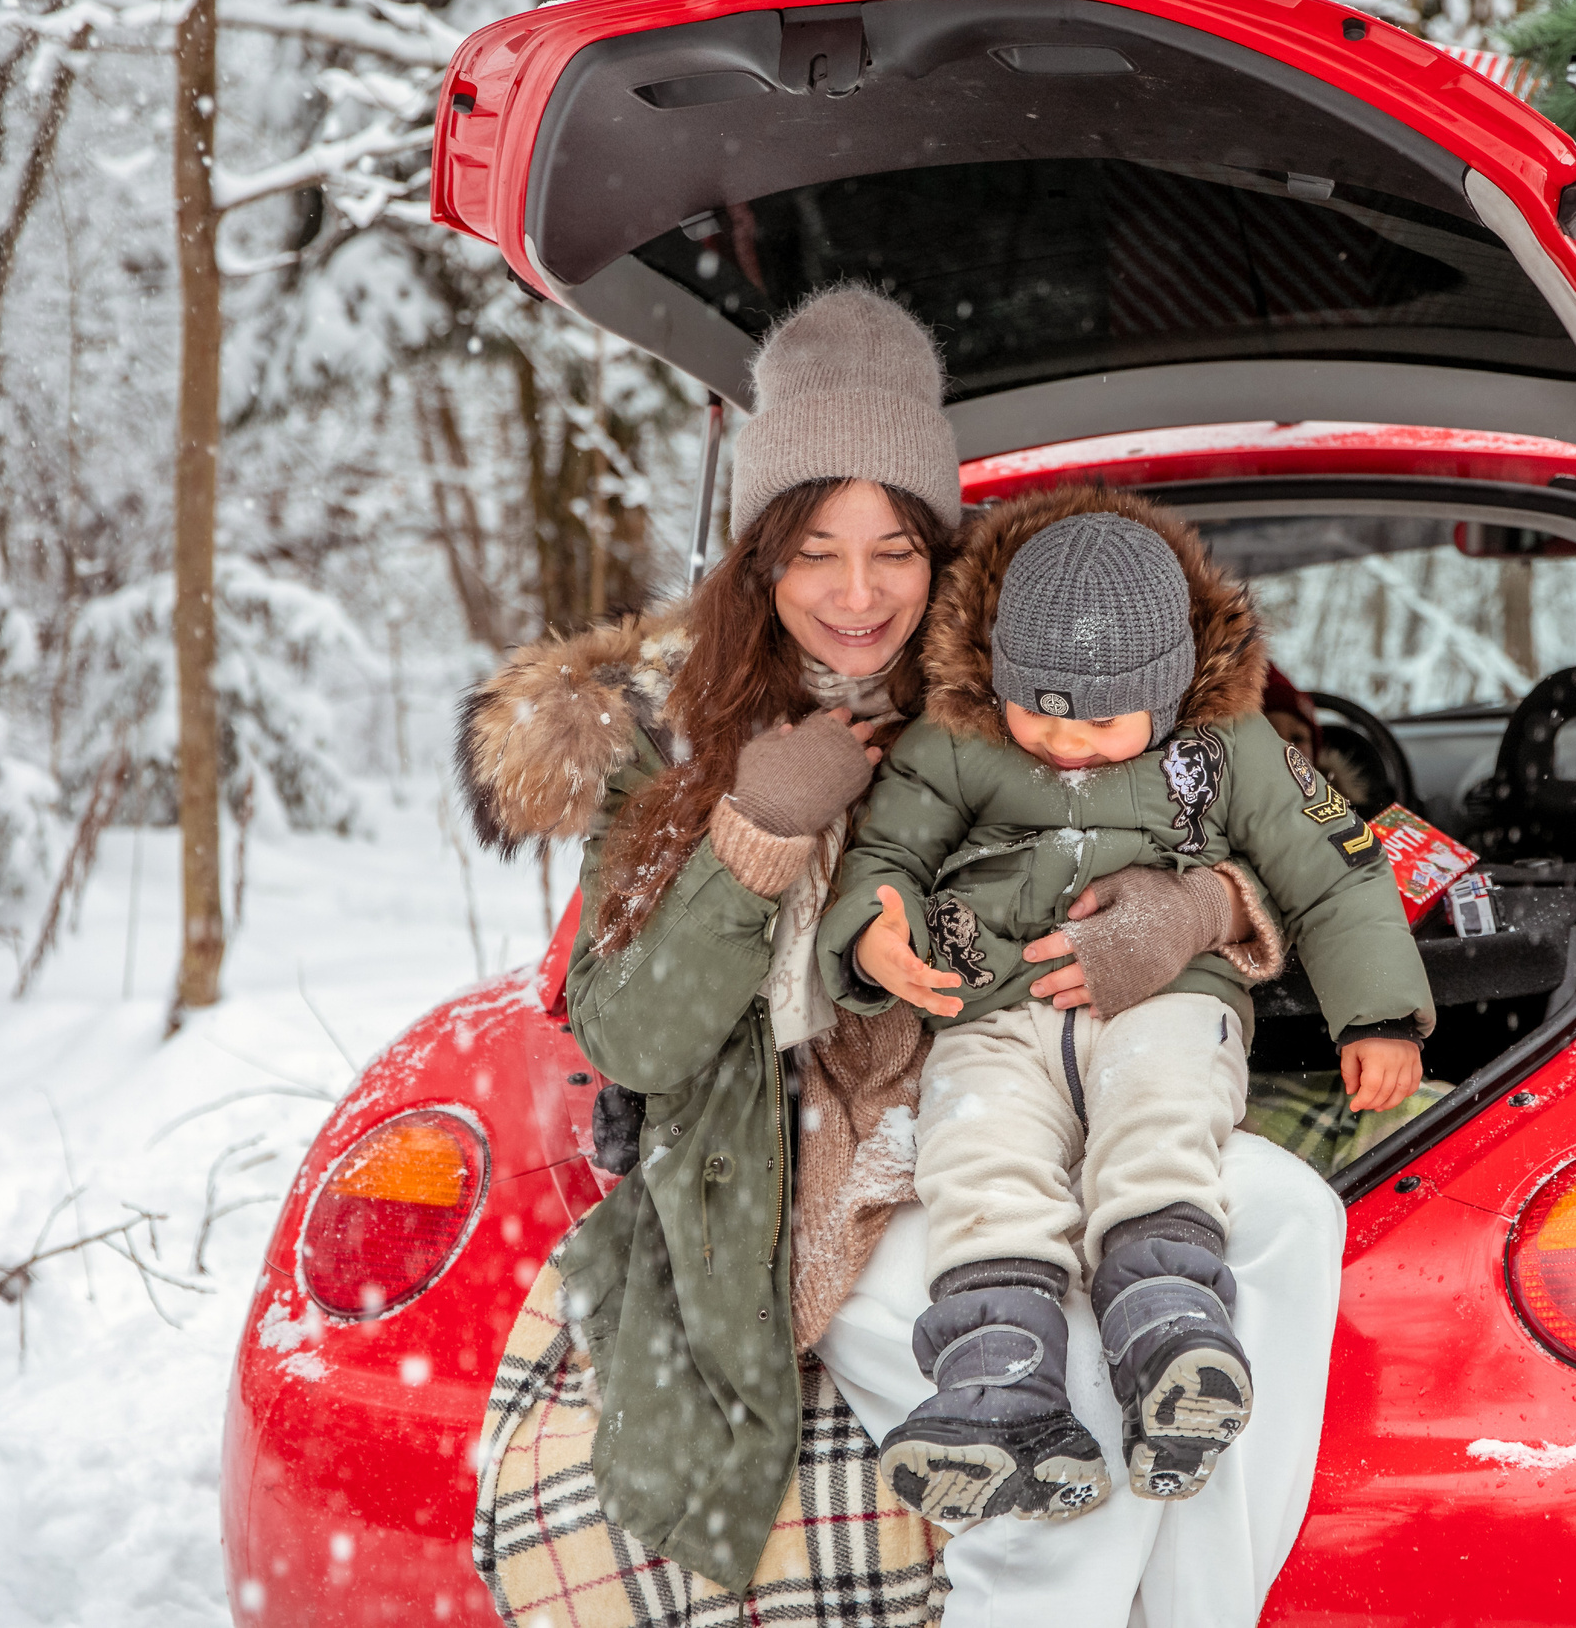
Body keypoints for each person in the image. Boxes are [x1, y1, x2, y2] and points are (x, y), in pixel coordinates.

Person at [455, 284, 1347, 1628]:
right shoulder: (676, 739)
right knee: (1067, 1441)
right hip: (805, 1164)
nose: (857, 593)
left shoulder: (1003, 695)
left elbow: (1234, 816)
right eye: (816, 550)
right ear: (760, 559)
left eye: (894, 550)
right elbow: (632, 1034)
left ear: (944, 553)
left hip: (1009, 1096)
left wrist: (1207, 908)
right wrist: (756, 829)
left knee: (1292, 1221)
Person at [818, 488, 1436, 1527]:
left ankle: (1168, 1317)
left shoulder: (1226, 752)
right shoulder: (955, 744)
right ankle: (995, 1369)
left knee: (1161, 1111)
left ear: (1169, 688)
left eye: (1104, 720)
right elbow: (884, 854)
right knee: (977, 1151)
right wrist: (871, 931)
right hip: (998, 1014)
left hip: (1165, 995)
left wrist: (1375, 1016)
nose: (1068, 745)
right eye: (1040, 713)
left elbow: (1335, 870)